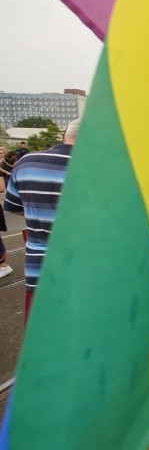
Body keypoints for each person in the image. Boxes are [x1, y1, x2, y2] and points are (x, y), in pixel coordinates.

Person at [4, 120, 80, 321]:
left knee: (45, 342)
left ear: (66, 135)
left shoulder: (27, 163)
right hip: (87, 275)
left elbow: (13, 207)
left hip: (40, 272)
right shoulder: (105, 168)